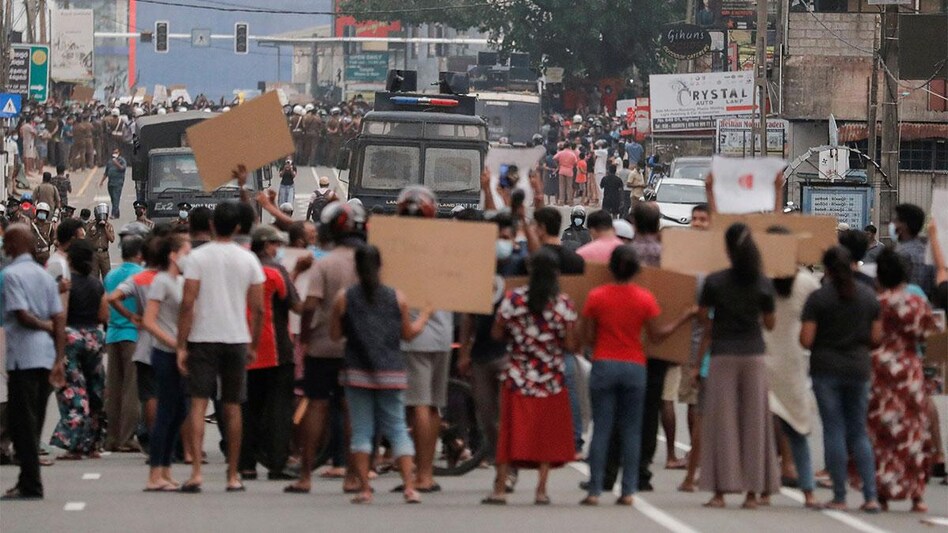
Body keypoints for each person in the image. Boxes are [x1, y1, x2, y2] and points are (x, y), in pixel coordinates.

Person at [580, 245, 693, 506]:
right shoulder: (644, 298)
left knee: (603, 430)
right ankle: (628, 490)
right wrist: (683, 318)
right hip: (634, 366)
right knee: (632, 430)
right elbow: (657, 335)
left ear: (610, 269)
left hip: (604, 363)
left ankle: (595, 489)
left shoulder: (596, 296)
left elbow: (586, 336)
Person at [329, 245, 432, 504]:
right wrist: (426, 316)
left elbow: (334, 335)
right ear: (380, 266)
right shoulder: (397, 297)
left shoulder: (344, 297)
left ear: (356, 267)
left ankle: (365, 489)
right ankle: (409, 487)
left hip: (356, 372)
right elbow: (407, 334)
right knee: (397, 427)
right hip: (392, 372)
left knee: (362, 431)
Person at [177, 199, 265, 493]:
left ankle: (197, 473)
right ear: (238, 227)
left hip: (202, 338)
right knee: (233, 406)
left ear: (212, 226)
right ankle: (232, 475)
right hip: (236, 337)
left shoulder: (197, 259)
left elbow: (187, 303)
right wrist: (253, 341)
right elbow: (259, 307)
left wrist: (181, 345)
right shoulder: (248, 259)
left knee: (198, 403)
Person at [481, 248, 578, 505]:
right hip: (551, 378)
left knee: (508, 432)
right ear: (556, 274)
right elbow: (569, 344)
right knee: (545, 435)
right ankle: (541, 490)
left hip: (518, 376)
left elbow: (497, 334)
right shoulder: (563, 304)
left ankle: (500, 488)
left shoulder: (513, 299)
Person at [284, 201, 365, 494]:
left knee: (316, 407)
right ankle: (353, 475)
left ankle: (305, 474)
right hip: (357, 348)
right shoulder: (368, 262)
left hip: (322, 347)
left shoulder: (324, 265)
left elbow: (310, 307)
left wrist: (304, 339)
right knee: (352, 410)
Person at [697, 223, 780, 509]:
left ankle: (720, 492)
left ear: (727, 249)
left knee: (722, 422)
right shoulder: (762, 282)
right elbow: (770, 323)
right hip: (753, 354)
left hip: (723, 354)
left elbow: (702, 318)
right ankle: (753, 493)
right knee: (755, 422)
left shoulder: (715, 281)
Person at [800, 246, 882, 512]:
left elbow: (807, 339)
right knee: (858, 432)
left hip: (826, 369)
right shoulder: (869, 297)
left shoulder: (819, 298)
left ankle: (839, 495)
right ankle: (870, 496)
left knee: (834, 430)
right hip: (858, 368)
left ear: (828, 270)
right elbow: (876, 338)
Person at [868, 248, 941, 512]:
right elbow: (930, 337)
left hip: (882, 370)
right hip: (910, 369)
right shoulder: (917, 303)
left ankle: (884, 493)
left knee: (883, 431)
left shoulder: (877, 303)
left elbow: (872, 337)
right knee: (913, 430)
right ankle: (916, 495)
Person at [1, 225, 66, 500]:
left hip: (23, 356)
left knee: (22, 422)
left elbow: (21, 314)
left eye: (6, 242)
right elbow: (60, 317)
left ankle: (31, 483)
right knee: (35, 419)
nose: (4, 246)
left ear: (15, 246)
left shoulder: (10, 275)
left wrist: (44, 326)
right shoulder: (44, 275)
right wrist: (60, 357)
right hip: (46, 356)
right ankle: (29, 478)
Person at [396, 186, 454, 493]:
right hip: (443, 333)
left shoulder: (396, 246)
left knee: (417, 404)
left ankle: (421, 473)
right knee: (432, 406)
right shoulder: (447, 246)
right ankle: (426, 471)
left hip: (414, 334)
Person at [762, 227, 821, 508]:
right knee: (796, 424)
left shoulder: (760, 281)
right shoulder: (807, 283)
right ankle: (801, 481)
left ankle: (764, 484)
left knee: (767, 418)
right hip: (796, 357)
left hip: (764, 355)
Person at [238, 226, 291, 481]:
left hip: (241, 344)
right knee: (278, 411)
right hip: (274, 348)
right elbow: (293, 301)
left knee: (247, 409)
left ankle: (246, 464)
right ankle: (277, 463)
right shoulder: (275, 270)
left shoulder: (240, 268)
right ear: (268, 246)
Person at [140, 233, 191, 492]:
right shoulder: (161, 281)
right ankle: (155, 474)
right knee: (166, 413)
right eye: (186, 252)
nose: (189, 257)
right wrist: (175, 344)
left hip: (181, 353)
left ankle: (167, 470)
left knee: (180, 411)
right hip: (165, 353)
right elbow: (149, 321)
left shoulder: (181, 281)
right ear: (172, 255)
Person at [49, 240, 109, 460]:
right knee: (96, 389)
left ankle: (73, 442)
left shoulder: (67, 284)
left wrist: (58, 353)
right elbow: (104, 315)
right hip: (93, 336)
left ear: (70, 259)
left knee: (74, 389)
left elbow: (61, 313)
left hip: (71, 337)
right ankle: (93, 443)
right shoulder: (96, 284)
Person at [102, 235, 144, 453]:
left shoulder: (111, 275)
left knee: (114, 388)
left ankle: (111, 436)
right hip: (133, 334)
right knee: (131, 390)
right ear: (139, 254)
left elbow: (105, 301)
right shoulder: (140, 275)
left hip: (112, 334)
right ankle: (126, 437)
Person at [892, 204, 935, 300]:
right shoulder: (929, 251)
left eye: (896, 221)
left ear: (905, 225)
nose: (893, 224)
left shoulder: (900, 254)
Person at [86, 203, 114, 280]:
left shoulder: (109, 226)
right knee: (94, 276)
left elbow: (112, 239)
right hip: (94, 253)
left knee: (107, 276)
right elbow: (87, 239)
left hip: (104, 254)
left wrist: (104, 227)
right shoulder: (91, 225)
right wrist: (97, 230)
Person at [99, 149, 127, 219]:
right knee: (113, 199)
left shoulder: (122, 161)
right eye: (114, 152)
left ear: (119, 153)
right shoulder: (110, 162)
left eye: (116, 152)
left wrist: (116, 163)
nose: (115, 153)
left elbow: (122, 168)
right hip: (110, 183)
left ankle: (113, 214)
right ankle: (117, 213)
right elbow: (106, 172)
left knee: (116, 198)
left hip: (118, 183)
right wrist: (102, 181)